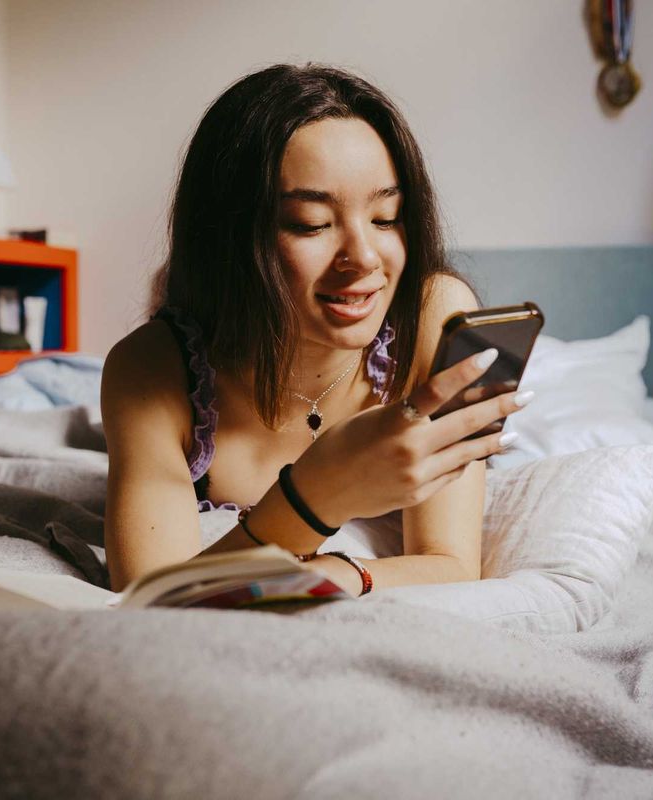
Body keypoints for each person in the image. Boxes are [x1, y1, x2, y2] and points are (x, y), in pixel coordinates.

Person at [101, 63, 531, 598]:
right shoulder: (151, 370)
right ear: (229, 237)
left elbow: (450, 564)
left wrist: (338, 574)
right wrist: (317, 493)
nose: (364, 258)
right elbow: (154, 599)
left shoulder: (435, 315)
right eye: (311, 224)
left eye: (386, 217)